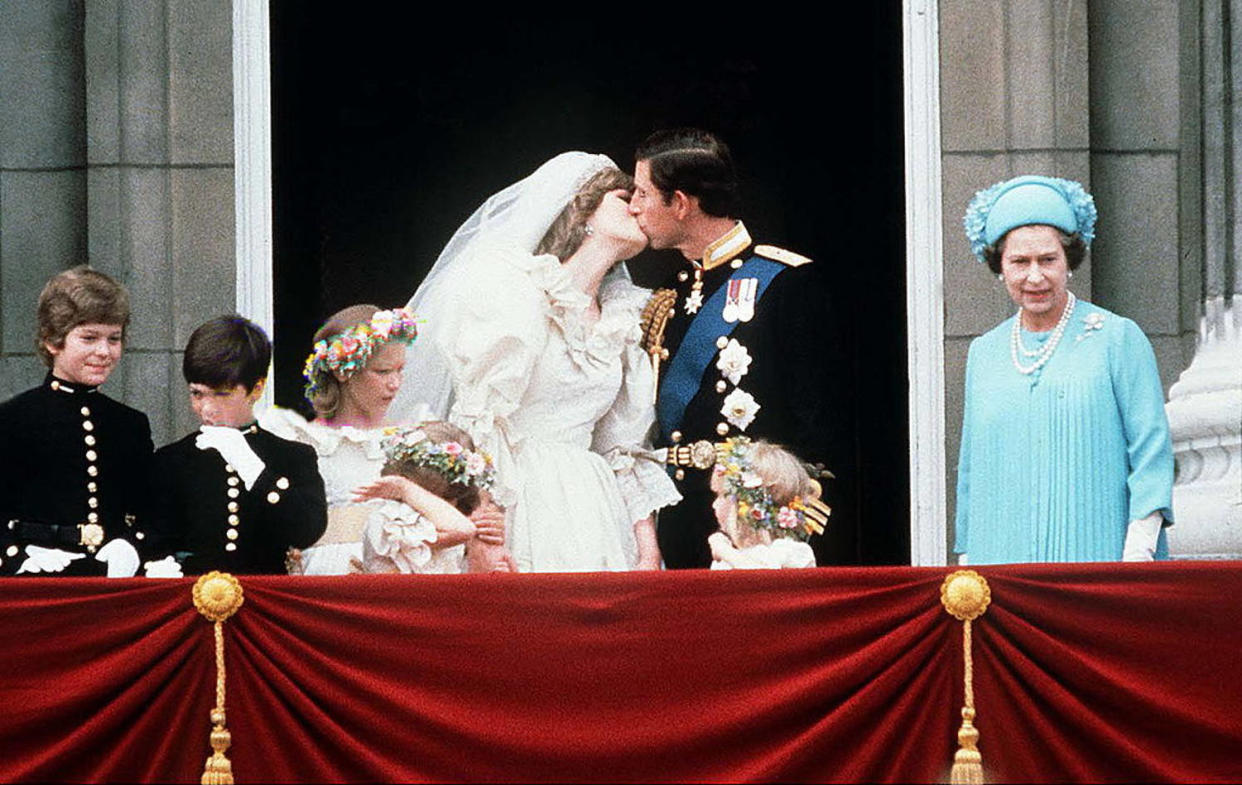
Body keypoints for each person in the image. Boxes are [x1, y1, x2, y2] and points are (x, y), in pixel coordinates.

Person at [392, 151, 681, 572]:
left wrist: (647, 548)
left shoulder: (622, 318)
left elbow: (623, 447)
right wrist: (483, 527)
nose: (637, 208)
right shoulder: (517, 293)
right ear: (583, 212)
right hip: (519, 497)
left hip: (594, 508)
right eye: (624, 197)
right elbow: (483, 421)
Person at [628, 128, 843, 569]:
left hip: (752, 523)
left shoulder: (785, 283)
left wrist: (786, 524)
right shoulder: (669, 296)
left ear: (681, 204)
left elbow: (816, 428)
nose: (634, 207)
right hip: (677, 515)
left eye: (643, 193)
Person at [955, 175, 1175, 564]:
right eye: (1020, 262)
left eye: (1048, 260)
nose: (1035, 276)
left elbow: (1151, 455)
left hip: (1099, 560)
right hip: (1001, 562)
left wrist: (1137, 551)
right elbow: (972, 473)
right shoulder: (984, 352)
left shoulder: (1117, 338)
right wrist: (968, 561)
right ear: (1000, 268)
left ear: (1069, 261)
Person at [261, 304, 508, 574]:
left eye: (400, 370)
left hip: (411, 568)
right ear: (344, 372)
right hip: (332, 571)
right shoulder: (302, 439)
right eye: (382, 372)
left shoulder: (418, 435)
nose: (395, 383)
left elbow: (457, 506)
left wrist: (480, 517)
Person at [0, 265, 154, 577]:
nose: (104, 351)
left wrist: (132, 545)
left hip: (110, 584)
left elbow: (151, 511)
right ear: (52, 340)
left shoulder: (130, 424)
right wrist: (18, 555)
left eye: (114, 338)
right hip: (37, 587)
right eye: (89, 338)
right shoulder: (13, 419)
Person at [147, 316, 327, 575]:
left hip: (264, 603)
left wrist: (255, 471)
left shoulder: (292, 457)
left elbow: (307, 530)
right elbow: (155, 538)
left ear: (257, 389)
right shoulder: (172, 460)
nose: (207, 408)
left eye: (222, 394)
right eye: (197, 394)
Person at [356, 422, 496, 574]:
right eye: (445, 499)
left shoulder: (450, 519)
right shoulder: (394, 520)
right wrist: (404, 488)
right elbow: (464, 530)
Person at [706, 437, 829, 570]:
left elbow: (760, 576)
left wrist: (722, 549)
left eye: (720, 495)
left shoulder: (794, 551)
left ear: (748, 503)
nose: (714, 505)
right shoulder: (727, 559)